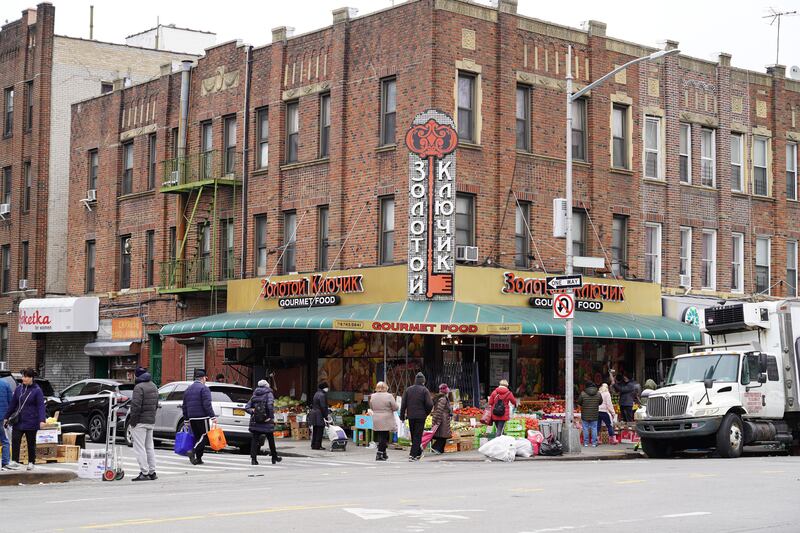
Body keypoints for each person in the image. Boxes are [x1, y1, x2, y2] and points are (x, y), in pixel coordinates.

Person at [3, 368, 46, 470]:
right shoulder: (19, 389)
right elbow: (13, 404)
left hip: (32, 421)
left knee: (31, 442)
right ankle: (14, 461)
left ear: (31, 378)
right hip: (19, 420)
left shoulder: (37, 390)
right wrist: (6, 417)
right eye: (23, 376)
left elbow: (41, 406)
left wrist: (42, 420)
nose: (24, 378)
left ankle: (31, 462)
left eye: (26, 376)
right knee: (15, 440)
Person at [128, 367, 159, 481]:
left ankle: (144, 472)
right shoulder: (153, 385)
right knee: (149, 447)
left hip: (140, 421)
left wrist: (133, 422)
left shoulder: (138, 387)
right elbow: (156, 404)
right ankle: (152, 472)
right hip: (150, 421)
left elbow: (135, 406)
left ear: (137, 376)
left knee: (139, 447)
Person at [182, 369, 216, 465]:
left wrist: (186, 419)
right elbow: (207, 404)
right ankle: (192, 451)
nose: (206, 379)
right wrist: (212, 416)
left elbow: (184, 405)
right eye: (206, 378)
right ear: (203, 378)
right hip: (202, 417)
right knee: (204, 436)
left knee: (198, 437)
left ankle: (199, 459)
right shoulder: (204, 388)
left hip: (192, 417)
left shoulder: (188, 389)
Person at [245, 379, 281, 465]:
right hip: (266, 420)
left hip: (256, 421)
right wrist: (270, 417)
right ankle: (274, 457)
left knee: (255, 439)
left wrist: (253, 412)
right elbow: (270, 406)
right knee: (270, 439)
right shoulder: (269, 394)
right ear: (267, 385)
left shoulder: (254, 395)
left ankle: (253, 459)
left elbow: (247, 407)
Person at [400, 372, 433, 461]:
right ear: (423, 381)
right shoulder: (424, 390)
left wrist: (402, 415)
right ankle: (413, 455)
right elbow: (430, 404)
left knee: (414, 435)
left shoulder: (408, 390)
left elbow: (403, 404)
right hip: (421, 416)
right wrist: (426, 413)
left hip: (411, 416)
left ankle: (418, 452)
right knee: (417, 436)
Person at [368, 381, 398, 461]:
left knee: (381, 435)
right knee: (384, 436)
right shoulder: (389, 396)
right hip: (386, 418)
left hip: (376, 418)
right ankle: (380, 453)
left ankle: (384, 454)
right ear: (386, 388)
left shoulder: (373, 396)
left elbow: (371, 406)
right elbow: (395, 407)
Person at [577, 380, 602, 447]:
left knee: (585, 428)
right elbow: (600, 402)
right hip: (594, 414)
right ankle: (594, 443)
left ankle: (586, 443)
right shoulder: (598, 393)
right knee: (594, 428)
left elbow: (579, 402)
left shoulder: (583, 393)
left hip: (585, 414)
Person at [430, 384, 452, 455]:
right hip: (443, 419)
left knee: (443, 436)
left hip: (444, 419)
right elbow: (439, 410)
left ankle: (440, 450)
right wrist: (437, 421)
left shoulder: (441, 398)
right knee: (443, 436)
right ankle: (436, 447)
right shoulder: (443, 399)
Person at [308, 382, 329, 450]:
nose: (327, 389)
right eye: (327, 387)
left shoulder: (316, 393)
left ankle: (313, 445)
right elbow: (323, 406)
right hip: (319, 414)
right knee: (320, 431)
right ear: (324, 388)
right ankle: (318, 445)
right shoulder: (322, 395)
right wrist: (325, 415)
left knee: (315, 430)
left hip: (314, 414)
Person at [0, 376, 12, 470]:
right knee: (5, 441)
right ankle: (5, 462)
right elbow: (11, 402)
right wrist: (8, 417)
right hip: (2, 417)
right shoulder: (6, 384)